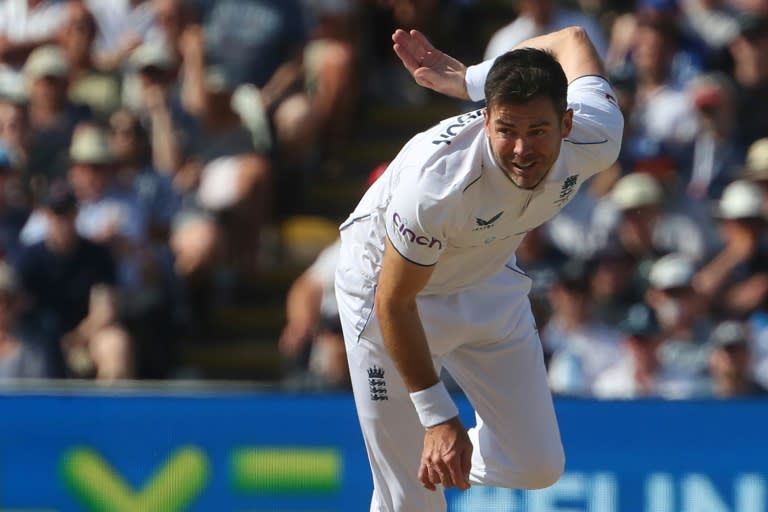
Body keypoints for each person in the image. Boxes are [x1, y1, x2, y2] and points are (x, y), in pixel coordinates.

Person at [334, 26, 622, 511]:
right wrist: (437, 417)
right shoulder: (437, 185)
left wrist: (470, 78)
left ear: (568, 123)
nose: (521, 150)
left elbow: (573, 38)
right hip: (386, 288)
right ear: (485, 121)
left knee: (537, 465)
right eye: (506, 130)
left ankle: (424, 460)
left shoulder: (598, 136)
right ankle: (411, 464)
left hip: (485, 274)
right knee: (411, 500)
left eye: (538, 131)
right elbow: (395, 300)